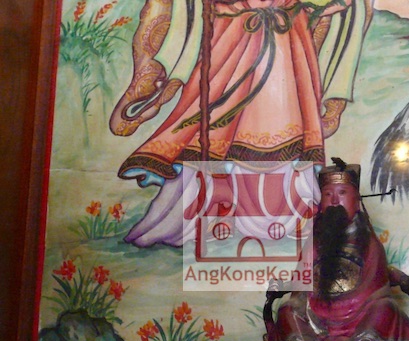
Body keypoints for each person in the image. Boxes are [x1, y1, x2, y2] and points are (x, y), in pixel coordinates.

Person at [109, 0, 359, 247]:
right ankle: (213, 213)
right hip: (234, 37)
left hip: (284, 38)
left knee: (283, 125)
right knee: (218, 126)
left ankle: (287, 215)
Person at [270, 159, 409, 341]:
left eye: (342, 193)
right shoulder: (314, 243)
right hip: (317, 315)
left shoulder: (369, 244)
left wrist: (359, 302)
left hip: (360, 312)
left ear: (356, 201)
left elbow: (378, 286)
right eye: (328, 194)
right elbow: (301, 283)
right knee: (287, 309)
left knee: (385, 307)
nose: (334, 201)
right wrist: (287, 288)